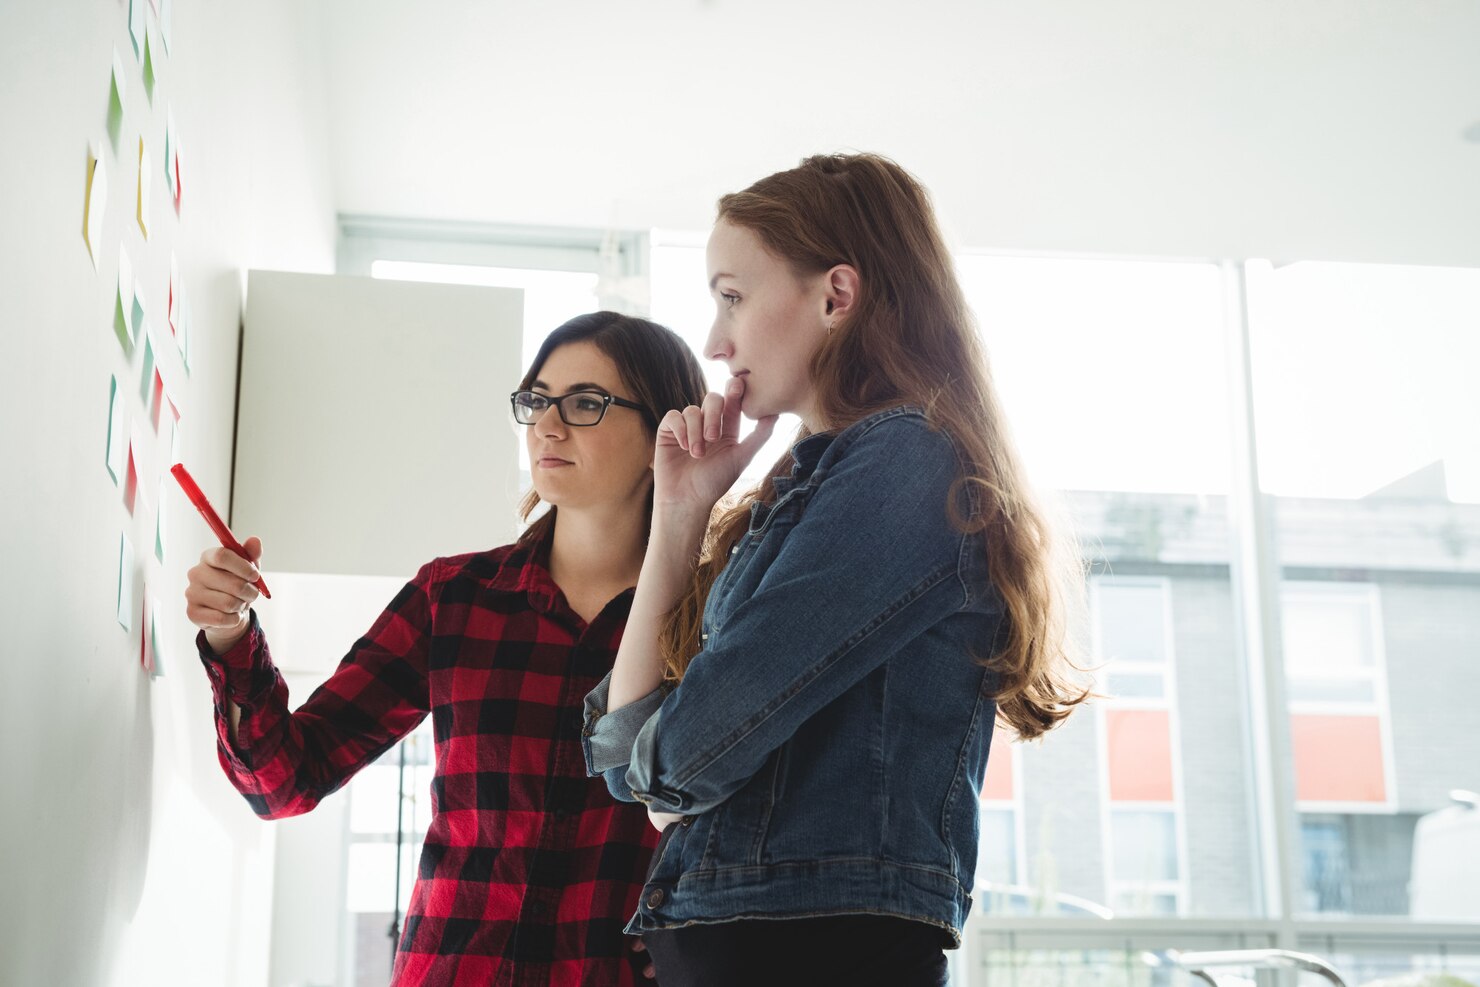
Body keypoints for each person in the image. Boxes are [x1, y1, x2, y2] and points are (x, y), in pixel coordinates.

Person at [581, 154, 1091, 987]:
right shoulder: (810, 486)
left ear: (835, 295)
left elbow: (676, 762)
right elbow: (626, 757)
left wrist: (663, 770)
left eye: (732, 295)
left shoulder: (906, 465)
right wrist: (679, 519)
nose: (715, 341)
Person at [185, 311, 707, 986]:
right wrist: (231, 634)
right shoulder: (454, 596)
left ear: (663, 434)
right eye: (537, 400)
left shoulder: (717, 615)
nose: (547, 425)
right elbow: (286, 780)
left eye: (585, 402)